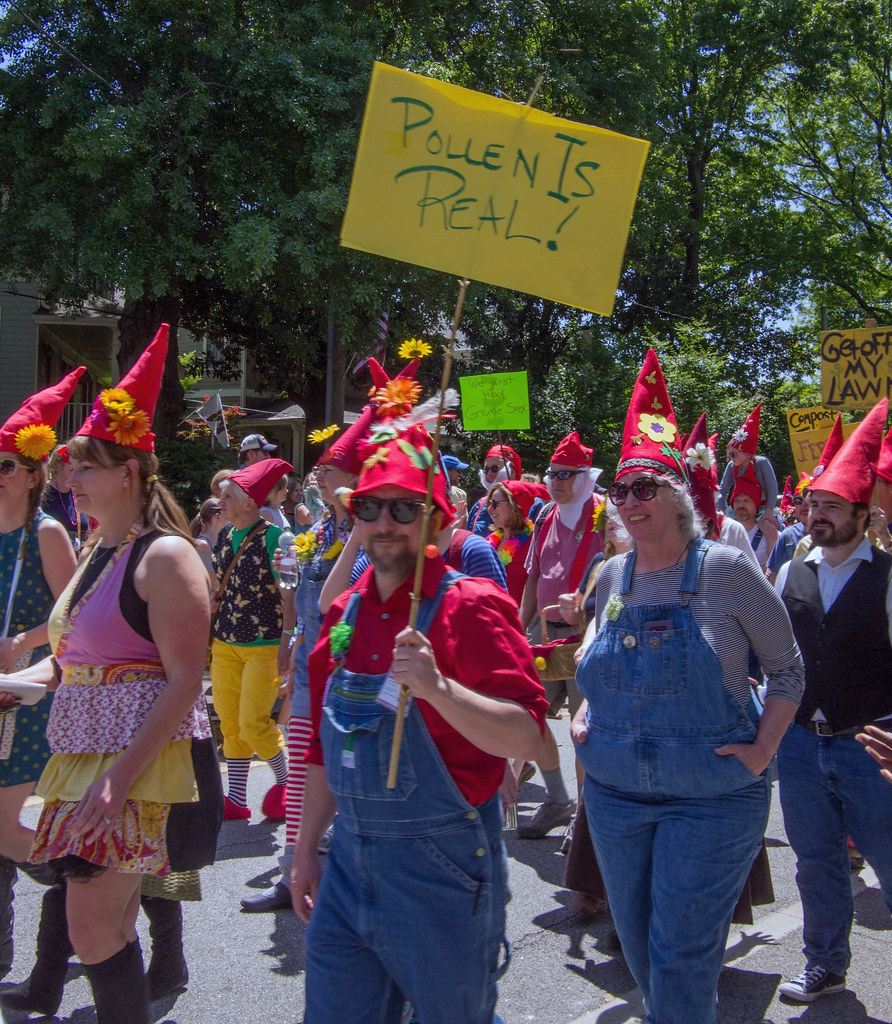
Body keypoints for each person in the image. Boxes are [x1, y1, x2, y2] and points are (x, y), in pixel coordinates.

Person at [290, 419, 548, 1024]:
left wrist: (439, 690)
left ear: (433, 519)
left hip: (443, 868)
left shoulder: (472, 606)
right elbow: (327, 752)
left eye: (404, 509)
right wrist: (305, 850)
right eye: (372, 507)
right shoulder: (343, 617)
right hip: (349, 861)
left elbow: (533, 738)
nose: (385, 523)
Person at [574, 350, 803, 1024]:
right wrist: (588, 707)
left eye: (646, 486)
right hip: (615, 797)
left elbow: (788, 669)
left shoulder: (729, 570)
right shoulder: (612, 578)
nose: (630, 501)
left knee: (677, 957)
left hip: (709, 800)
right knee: (642, 954)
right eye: (620, 489)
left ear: (678, 494)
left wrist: (763, 751)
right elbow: (601, 659)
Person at [2, 325, 222, 1024]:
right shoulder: (98, 550)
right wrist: (19, 684)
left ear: (127, 471)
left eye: (83, 468)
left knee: (93, 928)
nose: (68, 480)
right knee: (98, 926)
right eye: (67, 468)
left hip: (137, 767)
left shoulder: (167, 558)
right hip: (82, 755)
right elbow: (68, 664)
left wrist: (119, 775)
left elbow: (186, 679)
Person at [773, 398, 892, 1004]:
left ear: (863, 514)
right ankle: (825, 964)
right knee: (816, 862)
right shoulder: (791, 571)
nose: (816, 515)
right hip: (798, 746)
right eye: (812, 504)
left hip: (868, 747)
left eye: (831, 506)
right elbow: (771, 653)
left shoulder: (889, 577)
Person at [0, 368, 83, 979]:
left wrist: (22, 642)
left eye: (5, 464)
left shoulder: (46, 533)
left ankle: (88, 887)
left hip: (29, 698)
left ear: (33, 475)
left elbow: (76, 625)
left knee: (11, 833)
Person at [516, 431, 605, 839]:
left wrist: (590, 611)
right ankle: (555, 799)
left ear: (585, 476)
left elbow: (617, 572)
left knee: (583, 728)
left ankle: (586, 821)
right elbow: (533, 578)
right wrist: (519, 628)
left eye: (567, 474)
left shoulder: (606, 514)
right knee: (524, 715)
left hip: (589, 634)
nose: (556, 480)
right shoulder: (546, 515)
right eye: (553, 473)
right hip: (544, 632)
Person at [212, 457, 296, 821]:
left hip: (264, 644)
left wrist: (287, 641)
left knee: (253, 724)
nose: (221, 503)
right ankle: (237, 798)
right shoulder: (224, 536)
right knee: (230, 723)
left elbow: (289, 592)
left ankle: (286, 781)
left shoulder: (277, 536)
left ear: (248, 502)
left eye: (227, 496)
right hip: (225, 642)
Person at [484, 481, 540, 607]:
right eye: (489, 503)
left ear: (514, 506)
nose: (490, 509)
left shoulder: (535, 541)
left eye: (495, 503)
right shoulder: (489, 541)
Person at [717, 403, 778, 516]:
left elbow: (772, 488)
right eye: (730, 454)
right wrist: (721, 510)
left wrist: (769, 512)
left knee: (768, 528)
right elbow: (723, 489)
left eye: (734, 454)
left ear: (746, 453)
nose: (731, 457)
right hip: (740, 509)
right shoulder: (731, 465)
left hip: (764, 508)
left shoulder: (761, 463)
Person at [41, 444, 90, 552]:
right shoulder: (43, 494)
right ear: (56, 465)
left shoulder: (79, 494)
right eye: (72, 467)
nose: (77, 473)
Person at [467, 444, 524, 535]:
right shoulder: (479, 506)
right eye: (486, 469)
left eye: (495, 468)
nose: (489, 474)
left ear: (512, 472)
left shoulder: (531, 504)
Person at [730, 464, 778, 568]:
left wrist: (772, 538)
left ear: (756, 505)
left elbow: (776, 571)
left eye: (746, 501)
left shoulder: (768, 534)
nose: (741, 505)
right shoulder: (725, 532)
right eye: (737, 501)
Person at [190, 498, 225, 595]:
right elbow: (214, 580)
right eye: (226, 513)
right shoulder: (203, 545)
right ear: (217, 517)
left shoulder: (218, 541)